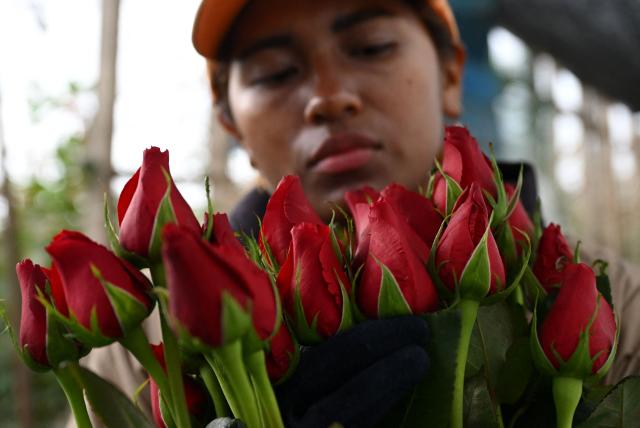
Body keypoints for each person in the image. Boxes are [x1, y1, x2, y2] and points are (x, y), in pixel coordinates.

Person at [72, 1, 640, 427]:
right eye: (274, 73)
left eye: (370, 48)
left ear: (449, 76)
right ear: (230, 124)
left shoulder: (619, 307)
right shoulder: (152, 351)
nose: (329, 95)